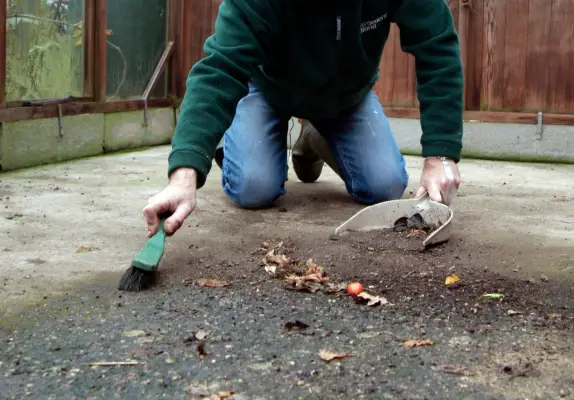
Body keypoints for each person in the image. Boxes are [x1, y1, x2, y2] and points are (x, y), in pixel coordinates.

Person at [143, 0, 463, 237]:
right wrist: (184, 173)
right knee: (254, 187)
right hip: (268, 87)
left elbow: (437, 49)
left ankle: (313, 136)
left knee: (385, 185)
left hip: (346, 96)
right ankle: (235, 137)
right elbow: (220, 69)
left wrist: (441, 156)